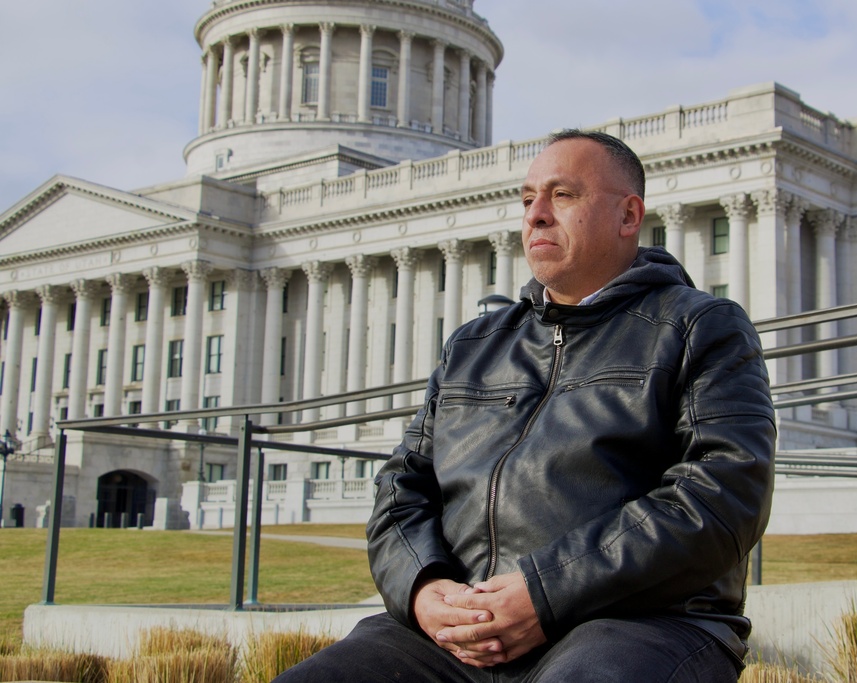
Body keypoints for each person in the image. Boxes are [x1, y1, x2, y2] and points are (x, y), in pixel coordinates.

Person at [274, 129, 776, 682]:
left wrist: (545, 592)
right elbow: (401, 484)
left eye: (562, 195)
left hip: (637, 623)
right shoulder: (473, 345)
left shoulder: (699, 327)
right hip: (457, 633)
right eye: (528, 198)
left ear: (628, 215)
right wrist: (422, 587)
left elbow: (724, 491)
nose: (536, 214)